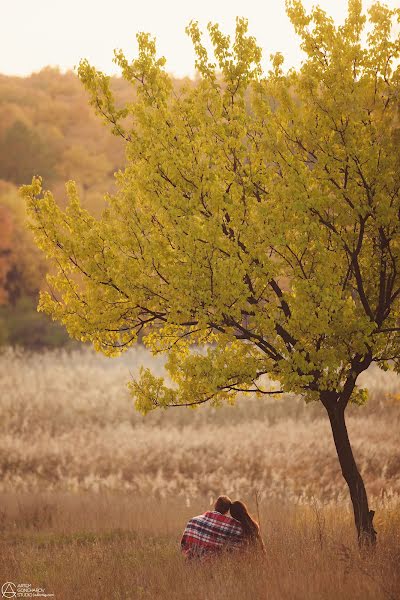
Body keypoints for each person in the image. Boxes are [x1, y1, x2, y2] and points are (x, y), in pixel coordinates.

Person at [180, 495, 243, 561]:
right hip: (216, 565)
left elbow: (184, 545)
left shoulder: (193, 521)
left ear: (215, 505)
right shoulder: (234, 526)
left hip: (192, 564)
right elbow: (238, 551)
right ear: (227, 511)